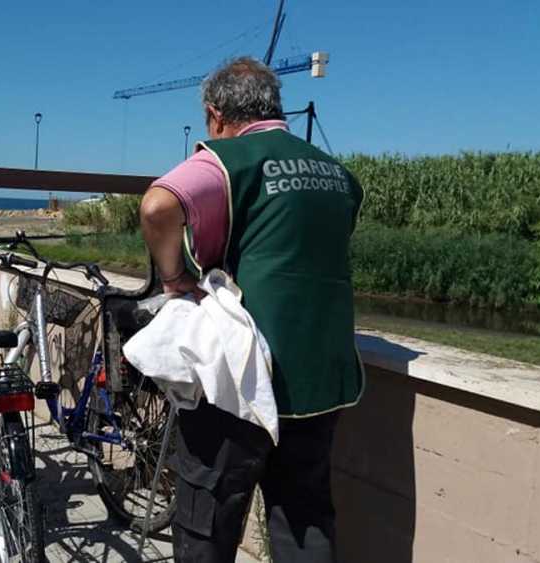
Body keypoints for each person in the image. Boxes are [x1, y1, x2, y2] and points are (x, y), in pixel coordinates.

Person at [139, 57, 364, 562]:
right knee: (304, 523)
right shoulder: (339, 176)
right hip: (320, 381)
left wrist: (176, 279)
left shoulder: (229, 158)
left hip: (239, 379)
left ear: (217, 116)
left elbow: (157, 207)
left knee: (206, 526)